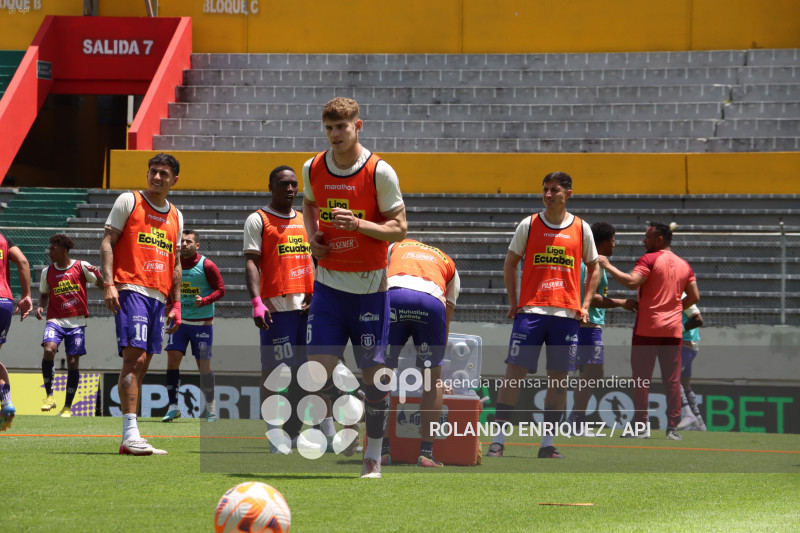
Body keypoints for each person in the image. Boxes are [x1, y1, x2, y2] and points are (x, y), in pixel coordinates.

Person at [302, 97, 407, 478]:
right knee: (316, 370)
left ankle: (373, 457)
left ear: (358, 126)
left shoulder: (380, 172)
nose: (334, 135)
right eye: (329, 128)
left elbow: (399, 228)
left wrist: (358, 226)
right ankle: (356, 398)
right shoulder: (312, 166)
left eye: (341, 128)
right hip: (328, 284)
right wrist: (311, 234)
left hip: (369, 288)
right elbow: (309, 204)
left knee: (375, 376)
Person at [486, 171, 598, 459]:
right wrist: (514, 301)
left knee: (558, 382)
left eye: (555, 190)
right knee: (513, 376)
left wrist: (584, 304)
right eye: (546, 189)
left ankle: (547, 444)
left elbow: (594, 267)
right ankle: (498, 440)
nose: (548, 195)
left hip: (566, 315)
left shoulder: (582, 228)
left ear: (568, 194)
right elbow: (510, 263)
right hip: (531, 312)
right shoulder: (529, 224)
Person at [101, 152, 183, 455]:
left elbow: (175, 263)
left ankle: (131, 435)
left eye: (163, 173)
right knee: (133, 359)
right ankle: (130, 433)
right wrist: (109, 284)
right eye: (153, 172)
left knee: (145, 362)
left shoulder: (176, 214)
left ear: (175, 179)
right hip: (130, 287)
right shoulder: (129, 201)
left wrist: (176, 304)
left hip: (158, 296)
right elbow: (107, 241)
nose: (156, 177)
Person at [598, 222, 699, 440]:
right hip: (673, 330)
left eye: (647, 237)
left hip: (648, 328)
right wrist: (673, 309)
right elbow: (694, 297)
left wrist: (608, 265)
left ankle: (640, 427)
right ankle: (672, 428)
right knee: (672, 380)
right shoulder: (684, 265)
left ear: (659, 240)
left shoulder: (649, 259)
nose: (643, 241)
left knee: (642, 380)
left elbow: (632, 283)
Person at [244, 165, 314, 453]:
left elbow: (316, 260)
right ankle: (275, 433)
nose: (290, 189)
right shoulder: (258, 219)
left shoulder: (304, 219)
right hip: (277, 307)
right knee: (276, 374)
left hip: (307, 307)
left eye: (294, 184)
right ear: (271, 187)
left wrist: (317, 293)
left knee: (304, 373)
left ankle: (295, 431)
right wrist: (256, 301)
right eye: (284, 184)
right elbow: (251, 261)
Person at [381, 238, 460, 468]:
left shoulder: (395, 247)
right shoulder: (450, 264)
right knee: (432, 382)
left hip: (393, 296)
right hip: (430, 302)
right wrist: (436, 362)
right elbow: (446, 318)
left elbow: (377, 284)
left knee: (381, 374)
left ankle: (381, 450)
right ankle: (426, 453)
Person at [568, 222, 636, 426]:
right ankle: (576, 420)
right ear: (603, 242)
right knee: (592, 372)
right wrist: (622, 303)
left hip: (588, 325)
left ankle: (575, 418)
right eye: (613, 241)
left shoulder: (593, 261)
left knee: (592, 372)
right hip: (585, 325)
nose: (614, 245)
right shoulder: (590, 263)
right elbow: (588, 297)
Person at [36, 234, 104, 417]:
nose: (50, 252)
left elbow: (102, 284)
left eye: (53, 249)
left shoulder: (81, 267)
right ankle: (49, 396)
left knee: (73, 361)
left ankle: (67, 407)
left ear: (64, 250)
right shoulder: (47, 272)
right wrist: (41, 306)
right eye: (50, 249)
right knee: (49, 350)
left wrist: (99, 275)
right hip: (55, 320)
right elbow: (44, 293)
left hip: (77, 321)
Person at [162, 230, 225, 423]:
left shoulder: (207, 265)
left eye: (188, 241)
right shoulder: (173, 264)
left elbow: (221, 289)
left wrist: (205, 300)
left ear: (197, 245)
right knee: (172, 360)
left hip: (202, 324)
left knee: (203, 366)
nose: (184, 244)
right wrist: (168, 305)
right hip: (179, 322)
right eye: (181, 241)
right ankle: (173, 406)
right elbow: (167, 289)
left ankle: (211, 408)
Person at [0, 232, 33, 431]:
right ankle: (6, 403)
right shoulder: (3, 239)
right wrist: (27, 295)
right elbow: (22, 261)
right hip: (4, 301)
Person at [677, 302, 705, 430]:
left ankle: (688, 414)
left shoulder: (683, 298)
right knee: (685, 384)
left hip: (685, 346)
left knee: (672, 379)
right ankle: (700, 423)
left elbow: (698, 320)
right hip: (684, 346)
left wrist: (679, 329)